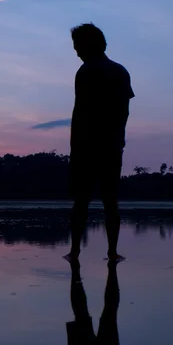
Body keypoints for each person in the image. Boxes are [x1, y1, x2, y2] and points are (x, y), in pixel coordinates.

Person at [64, 23, 135, 262]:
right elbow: (124, 112)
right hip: (112, 145)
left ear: (89, 44)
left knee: (81, 201)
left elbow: (80, 113)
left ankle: (75, 251)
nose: (76, 51)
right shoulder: (120, 71)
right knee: (110, 200)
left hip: (87, 145)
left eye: (77, 46)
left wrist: (75, 148)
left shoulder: (86, 72)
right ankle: (112, 252)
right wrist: (119, 140)